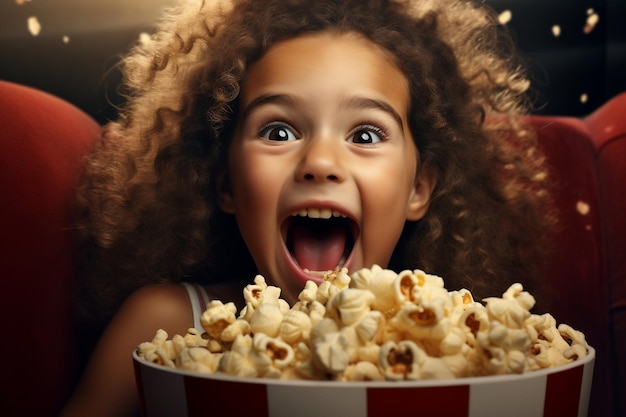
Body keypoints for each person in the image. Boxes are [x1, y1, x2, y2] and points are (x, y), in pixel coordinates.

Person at [61, 0, 555, 415]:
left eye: (364, 134)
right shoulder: (163, 325)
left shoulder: (461, 351)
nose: (320, 162)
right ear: (226, 183)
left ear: (418, 190)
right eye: (279, 132)